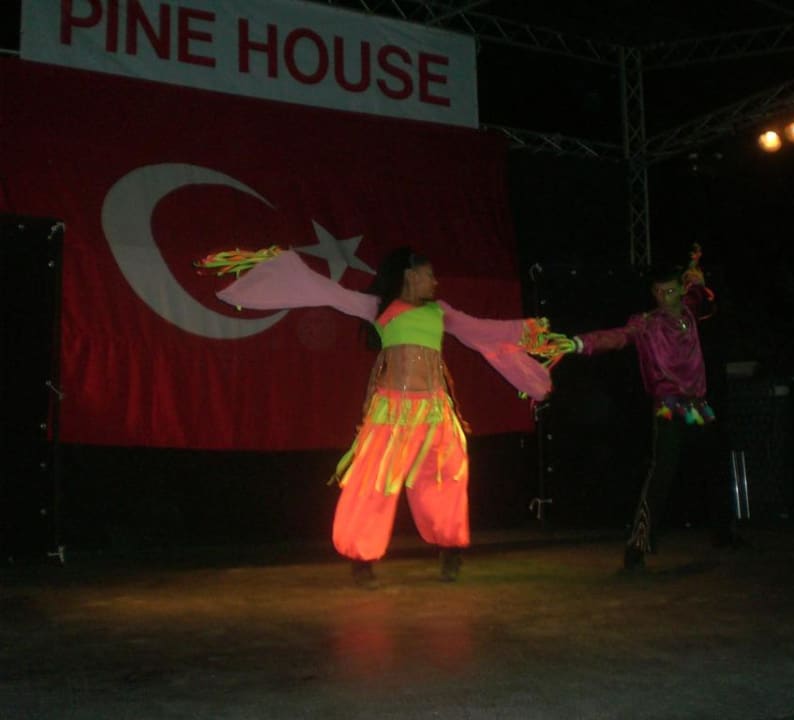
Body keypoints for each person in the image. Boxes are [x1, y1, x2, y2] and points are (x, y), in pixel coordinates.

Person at [205, 246, 563, 588]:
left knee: (444, 480)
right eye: (429, 275)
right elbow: (328, 292)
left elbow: (480, 330)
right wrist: (283, 265)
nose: (434, 281)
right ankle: (362, 559)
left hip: (435, 413)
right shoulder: (379, 307)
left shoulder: (439, 311)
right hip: (390, 413)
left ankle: (450, 549)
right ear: (411, 276)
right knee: (372, 484)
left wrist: (528, 331)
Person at [566, 245, 736, 571]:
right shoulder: (648, 324)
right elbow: (617, 336)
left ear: (679, 291)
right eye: (658, 292)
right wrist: (579, 343)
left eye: (669, 291)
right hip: (669, 407)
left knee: (716, 465)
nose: (663, 298)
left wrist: (695, 266)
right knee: (661, 475)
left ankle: (723, 533)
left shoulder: (689, 309)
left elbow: (697, 290)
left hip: (698, 406)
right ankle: (637, 545)